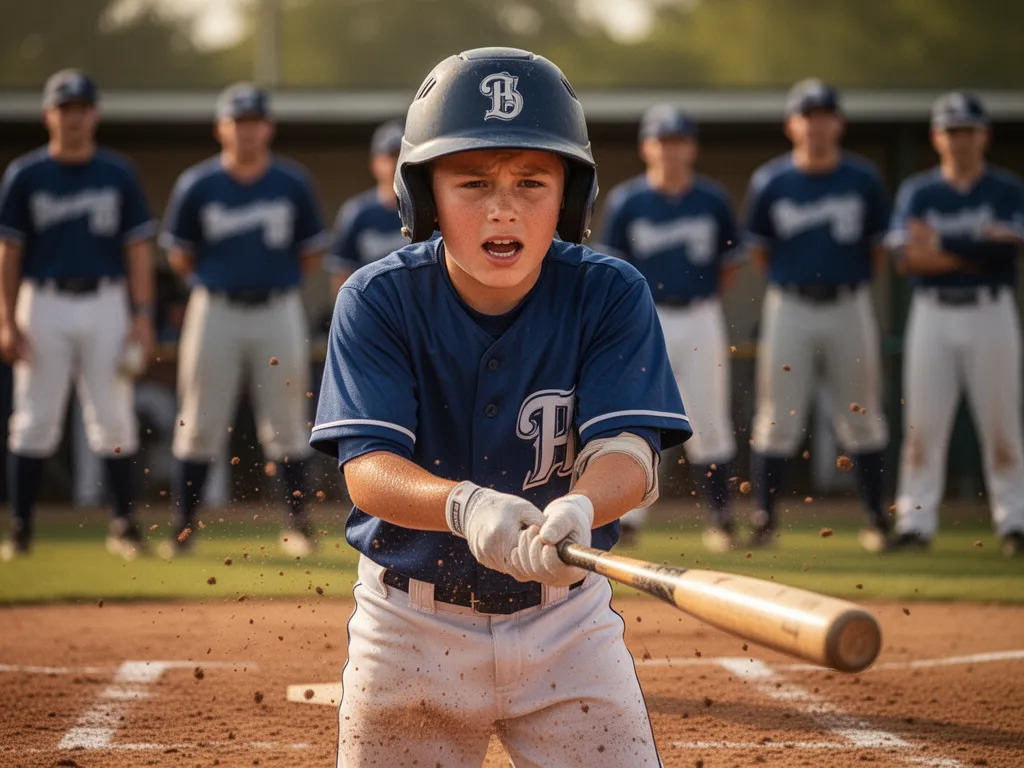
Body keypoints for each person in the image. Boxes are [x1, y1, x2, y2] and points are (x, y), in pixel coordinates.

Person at [311, 47, 690, 766]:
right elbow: (367, 470)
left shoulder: (609, 292)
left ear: (571, 199)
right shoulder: (376, 298)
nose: (503, 206)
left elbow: (629, 455)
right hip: (408, 630)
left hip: (569, 627)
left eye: (532, 181)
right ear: (423, 198)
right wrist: (466, 507)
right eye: (472, 181)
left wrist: (580, 507)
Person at [160, 83, 329, 558]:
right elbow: (179, 254)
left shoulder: (291, 181)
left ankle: (297, 526)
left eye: (254, 121)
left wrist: (269, 280)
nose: (246, 130)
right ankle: (184, 529)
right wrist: (223, 280)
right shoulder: (198, 183)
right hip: (215, 307)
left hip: (277, 306)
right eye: (238, 121)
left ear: (267, 128)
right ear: (221, 128)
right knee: (198, 419)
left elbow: (311, 252)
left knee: (287, 420)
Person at [0, 69, 156, 562]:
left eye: (81, 108)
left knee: (113, 418)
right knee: (33, 419)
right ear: (49, 115)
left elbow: (137, 249)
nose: (73, 117)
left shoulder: (116, 172)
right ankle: (22, 529)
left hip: (106, 301)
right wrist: (5, 318)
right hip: (41, 300)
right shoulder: (26, 174)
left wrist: (142, 313)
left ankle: (124, 525)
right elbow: (9, 253)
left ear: (95, 114)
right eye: (64, 109)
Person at [744, 79, 891, 551]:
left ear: (838, 123)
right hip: (791, 304)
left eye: (825, 114)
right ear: (792, 125)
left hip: (849, 302)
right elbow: (760, 251)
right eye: (807, 116)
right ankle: (765, 518)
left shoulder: (862, 178)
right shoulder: (772, 181)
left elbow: (878, 250)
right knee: (778, 416)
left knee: (862, 414)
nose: (816, 125)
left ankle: (876, 520)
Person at [598, 105, 743, 552]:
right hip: (646, 318)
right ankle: (629, 518)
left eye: (678, 141)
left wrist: (699, 299)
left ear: (691, 147)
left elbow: (731, 264)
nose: (671, 151)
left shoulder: (712, 199)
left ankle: (720, 518)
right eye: (662, 141)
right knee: (637, 416)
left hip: (700, 313)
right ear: (647, 147)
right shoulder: (627, 201)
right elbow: (612, 268)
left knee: (709, 418)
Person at [886, 92, 1024, 557]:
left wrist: (941, 242)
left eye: (967, 131)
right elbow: (908, 259)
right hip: (933, 313)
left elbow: (1006, 252)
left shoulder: (1006, 189)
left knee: (1002, 422)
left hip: (992, 311)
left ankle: (1016, 523)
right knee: (923, 425)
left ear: (983, 136)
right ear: (936, 138)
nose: (959, 140)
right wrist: (975, 248)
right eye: (951, 131)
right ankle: (915, 524)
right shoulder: (920, 191)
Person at [325, 119, 408, 293]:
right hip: (374, 307)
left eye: (402, 153)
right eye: (390, 155)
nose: (395, 162)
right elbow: (342, 271)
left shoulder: (430, 208)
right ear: (375, 163)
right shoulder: (358, 212)